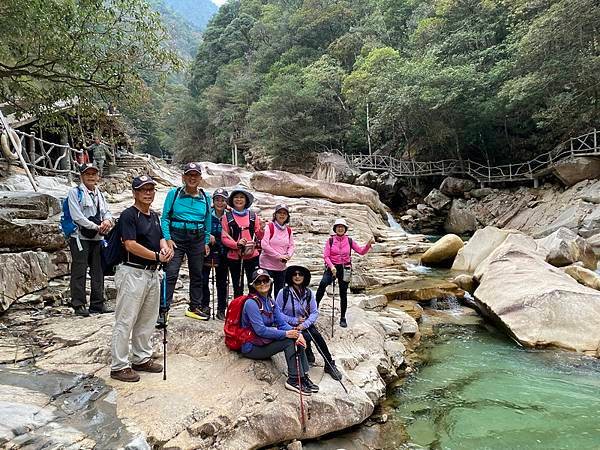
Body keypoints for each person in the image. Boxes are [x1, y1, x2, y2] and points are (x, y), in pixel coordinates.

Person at [110, 175, 174, 382]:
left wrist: (165, 249)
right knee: (126, 319)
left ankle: (141, 358)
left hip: (152, 273)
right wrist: (156, 256)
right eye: (143, 190)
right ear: (134, 193)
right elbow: (129, 244)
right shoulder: (129, 215)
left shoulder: (153, 216)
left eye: (150, 189)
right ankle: (119, 365)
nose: (148, 193)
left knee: (147, 318)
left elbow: (160, 238)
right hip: (132, 271)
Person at [240, 268, 317, 395]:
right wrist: (288, 334)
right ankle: (293, 379)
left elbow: (282, 324)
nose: (263, 284)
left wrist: (297, 334)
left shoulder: (271, 302)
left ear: (270, 282)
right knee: (289, 340)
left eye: (265, 280)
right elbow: (260, 331)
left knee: (297, 338)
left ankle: (303, 376)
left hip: (263, 342)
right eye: (258, 282)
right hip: (252, 347)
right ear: (253, 285)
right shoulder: (251, 304)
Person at [161, 162, 212, 321]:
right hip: (177, 237)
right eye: (189, 175)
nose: (192, 178)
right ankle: (163, 309)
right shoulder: (173, 194)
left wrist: (205, 240)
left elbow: (207, 220)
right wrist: (168, 238)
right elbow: (164, 218)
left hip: (197, 237)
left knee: (197, 273)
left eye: (195, 175)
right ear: (183, 177)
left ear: (200, 178)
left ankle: (195, 306)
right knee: (171, 272)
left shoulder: (205, 197)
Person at [276, 266, 343, 380]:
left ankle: (329, 363)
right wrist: (294, 321)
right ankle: (308, 353)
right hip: (287, 325)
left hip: (303, 324)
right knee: (304, 335)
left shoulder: (308, 293)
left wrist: (304, 324)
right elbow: (277, 313)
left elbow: (314, 312)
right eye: (295, 274)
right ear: (290, 276)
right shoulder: (284, 293)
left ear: (304, 277)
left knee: (316, 335)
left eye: (300, 274)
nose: (297, 277)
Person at [67, 162, 113, 317]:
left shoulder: (99, 193)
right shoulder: (74, 193)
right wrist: (96, 226)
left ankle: (97, 303)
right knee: (79, 271)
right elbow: (77, 216)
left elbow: (106, 211)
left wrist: (107, 221)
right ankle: (78, 304)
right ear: (81, 176)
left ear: (98, 176)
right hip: (79, 237)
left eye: (94, 174)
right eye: (88, 174)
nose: (91, 177)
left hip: (97, 238)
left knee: (98, 271)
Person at [315, 218, 375, 328]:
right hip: (332, 267)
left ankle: (343, 317)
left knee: (343, 293)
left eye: (342, 227)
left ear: (345, 229)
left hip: (345, 268)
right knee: (323, 283)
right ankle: (314, 309)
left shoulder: (349, 240)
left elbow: (361, 252)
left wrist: (368, 244)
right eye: (338, 227)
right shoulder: (330, 240)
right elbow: (326, 256)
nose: (340, 228)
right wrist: (332, 267)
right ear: (335, 229)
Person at [221, 187, 263, 297]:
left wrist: (262, 230)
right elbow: (224, 237)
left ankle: (254, 309)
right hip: (234, 257)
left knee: (254, 284)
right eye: (236, 197)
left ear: (246, 201)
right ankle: (239, 310)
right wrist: (236, 244)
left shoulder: (253, 216)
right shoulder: (227, 217)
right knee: (237, 286)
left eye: (241, 197)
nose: (239, 200)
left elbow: (259, 236)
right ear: (232, 200)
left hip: (252, 256)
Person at [201, 188, 230, 320]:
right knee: (203, 279)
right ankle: (205, 305)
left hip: (224, 251)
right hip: (207, 249)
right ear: (213, 201)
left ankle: (221, 309)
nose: (220, 202)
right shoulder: (206, 214)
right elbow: (199, 228)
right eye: (217, 199)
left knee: (222, 281)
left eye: (222, 200)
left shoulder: (229, 216)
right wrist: (207, 236)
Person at [259, 204, 295, 297]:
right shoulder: (269, 227)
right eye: (280, 213)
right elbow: (264, 245)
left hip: (281, 267)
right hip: (267, 266)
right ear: (275, 214)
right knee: (266, 293)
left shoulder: (288, 230)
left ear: (287, 216)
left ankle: (278, 311)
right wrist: (279, 256)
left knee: (280, 294)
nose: (282, 215)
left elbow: (291, 245)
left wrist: (288, 255)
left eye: (284, 213)